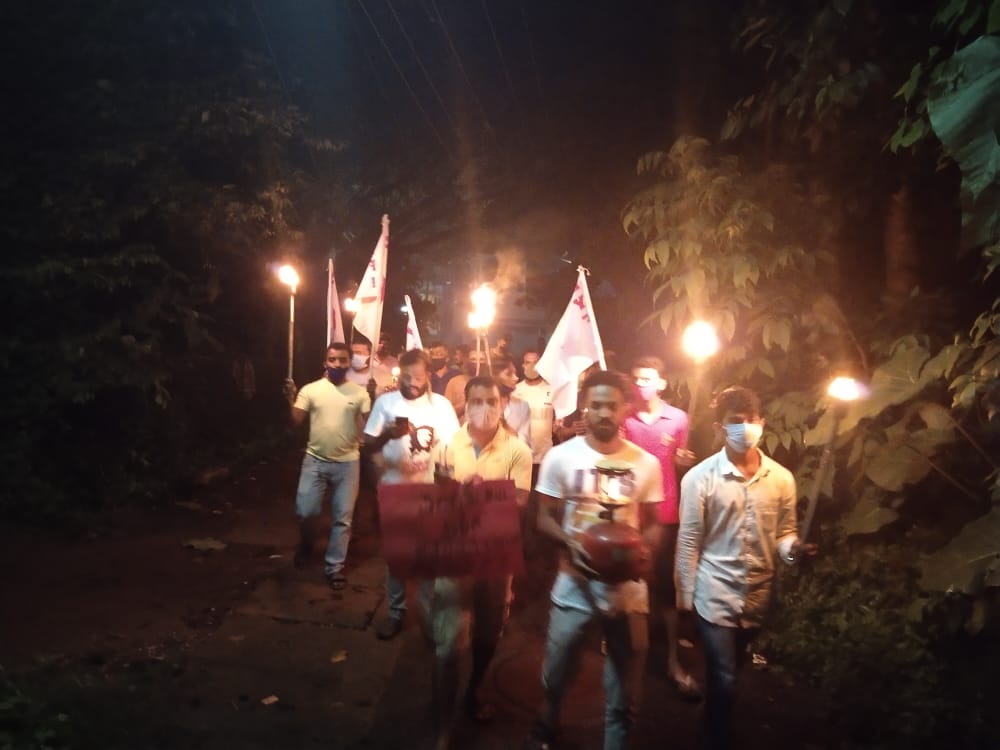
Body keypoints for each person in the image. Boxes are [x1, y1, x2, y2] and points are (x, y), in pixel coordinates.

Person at [523, 370, 664, 750]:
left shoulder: (646, 464)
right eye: (596, 405)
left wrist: (645, 551)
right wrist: (569, 541)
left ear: (625, 409)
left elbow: (654, 523)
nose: (604, 413)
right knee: (556, 670)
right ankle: (547, 720)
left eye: (612, 406)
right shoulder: (560, 457)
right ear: (585, 406)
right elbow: (543, 517)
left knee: (625, 686)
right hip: (574, 583)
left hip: (627, 591)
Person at [676, 385, 814, 750]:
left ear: (762, 423)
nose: (744, 428)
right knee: (725, 676)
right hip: (714, 593)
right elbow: (689, 541)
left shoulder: (782, 479)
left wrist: (794, 551)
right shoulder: (699, 479)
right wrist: (684, 601)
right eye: (735, 421)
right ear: (720, 427)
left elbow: (784, 534)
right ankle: (717, 740)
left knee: (731, 671)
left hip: (757, 596)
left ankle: (708, 724)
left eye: (750, 420)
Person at [428, 376, 532, 749]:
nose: (484, 408)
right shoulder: (445, 447)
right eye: (476, 401)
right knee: (447, 647)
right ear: (465, 404)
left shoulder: (517, 450)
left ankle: (474, 689)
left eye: (491, 400)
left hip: (495, 559)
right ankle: (443, 725)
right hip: (453, 556)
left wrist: (482, 494)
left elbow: (520, 504)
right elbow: (433, 501)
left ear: (502, 404)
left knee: (488, 635)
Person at [363, 349, 460, 640]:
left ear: (427, 375)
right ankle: (396, 612)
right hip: (395, 489)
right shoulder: (386, 403)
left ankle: (426, 611)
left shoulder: (441, 406)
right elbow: (368, 445)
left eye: (417, 377)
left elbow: (453, 446)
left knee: (428, 556)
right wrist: (387, 436)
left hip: (429, 492)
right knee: (396, 555)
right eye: (406, 377)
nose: (412, 383)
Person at [622, 356, 700, 698]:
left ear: (662, 383)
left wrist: (683, 462)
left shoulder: (679, 419)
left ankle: (671, 659)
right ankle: (621, 645)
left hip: (665, 513)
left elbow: (681, 461)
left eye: (648, 378)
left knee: (666, 587)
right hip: (627, 511)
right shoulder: (624, 417)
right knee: (624, 579)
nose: (642, 384)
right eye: (637, 378)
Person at [284, 343, 371, 590]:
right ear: (325, 362)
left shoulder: (360, 393)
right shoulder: (311, 390)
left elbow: (367, 427)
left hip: (348, 463)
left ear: (349, 363)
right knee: (306, 511)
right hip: (315, 461)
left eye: (343, 360)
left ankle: (334, 567)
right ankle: (307, 543)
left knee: (343, 518)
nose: (337, 364)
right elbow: (295, 421)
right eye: (332, 359)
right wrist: (289, 399)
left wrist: (373, 402)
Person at [494, 353, 530, 444]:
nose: (516, 378)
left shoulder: (523, 406)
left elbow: (524, 440)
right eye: (509, 374)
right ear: (494, 376)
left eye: (515, 373)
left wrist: (505, 426)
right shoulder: (479, 405)